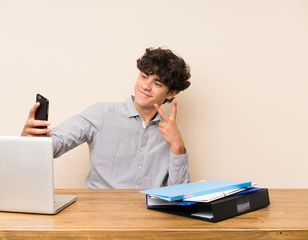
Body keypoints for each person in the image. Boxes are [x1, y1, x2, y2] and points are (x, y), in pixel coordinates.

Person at [22, 47, 191, 189]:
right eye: (144, 76)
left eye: (157, 83)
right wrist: (33, 139)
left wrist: (178, 147)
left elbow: (179, 195)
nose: (145, 86)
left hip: (150, 220)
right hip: (99, 216)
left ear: (171, 93)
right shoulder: (100, 114)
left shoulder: (172, 133)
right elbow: (55, 145)